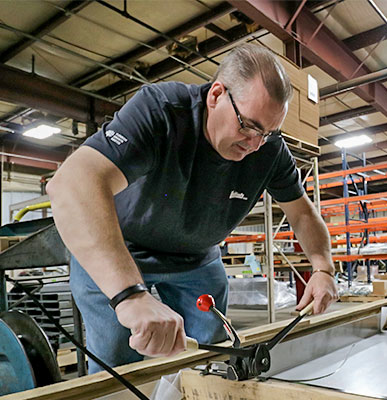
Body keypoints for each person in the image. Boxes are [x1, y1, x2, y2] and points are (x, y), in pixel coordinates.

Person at [47, 43, 338, 373]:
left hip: (198, 259)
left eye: (268, 132)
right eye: (249, 125)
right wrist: (130, 295)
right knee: (116, 365)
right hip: (120, 250)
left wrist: (322, 267)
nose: (256, 144)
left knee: (208, 357)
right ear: (216, 95)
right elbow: (71, 184)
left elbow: (301, 212)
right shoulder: (161, 112)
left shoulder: (268, 149)